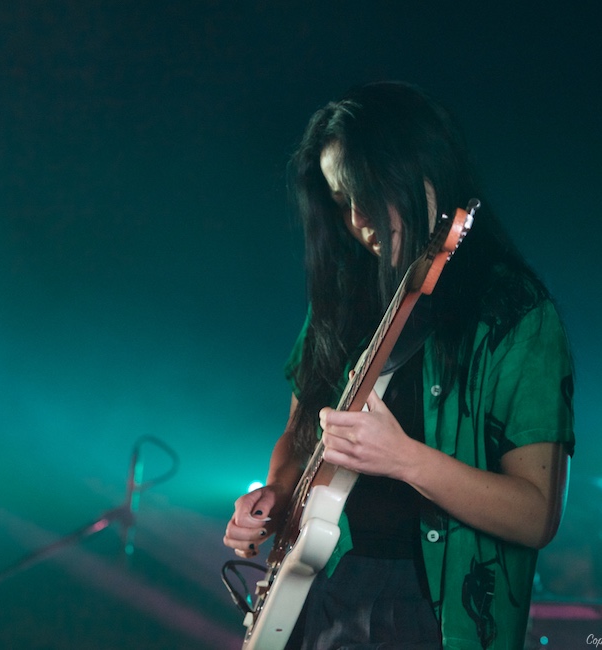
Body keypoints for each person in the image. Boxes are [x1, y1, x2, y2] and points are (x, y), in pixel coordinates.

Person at [223, 81, 575, 649]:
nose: (358, 220)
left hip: (430, 608)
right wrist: (273, 495)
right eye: (341, 201)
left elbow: (535, 515)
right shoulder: (339, 297)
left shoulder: (516, 313)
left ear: (425, 170)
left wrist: (404, 459)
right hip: (323, 588)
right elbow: (298, 431)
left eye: (369, 192)